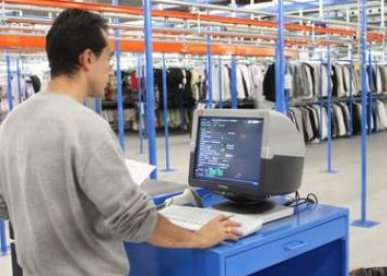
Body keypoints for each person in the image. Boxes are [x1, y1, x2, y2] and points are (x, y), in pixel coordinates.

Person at [0, 9, 241, 276]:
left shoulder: (12, 122)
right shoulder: (86, 127)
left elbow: (4, 203)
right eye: (109, 57)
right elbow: (135, 221)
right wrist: (200, 237)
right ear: (88, 59)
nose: (111, 68)